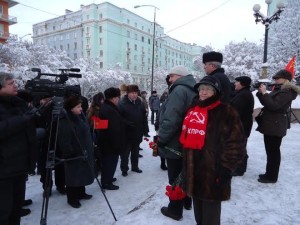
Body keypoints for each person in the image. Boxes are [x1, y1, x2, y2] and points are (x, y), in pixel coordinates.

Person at [181, 76, 246, 225]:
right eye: (201, 89)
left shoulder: (226, 111)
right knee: (198, 206)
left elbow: (237, 142)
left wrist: (226, 168)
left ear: (215, 92)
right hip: (193, 168)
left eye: (208, 89)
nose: (203, 92)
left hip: (214, 169)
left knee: (210, 213)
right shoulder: (192, 109)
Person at [158, 65, 196, 221]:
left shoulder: (179, 90)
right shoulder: (192, 89)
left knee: (175, 176)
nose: (170, 79)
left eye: (171, 76)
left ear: (179, 76)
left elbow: (171, 118)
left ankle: (174, 210)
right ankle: (187, 202)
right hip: (187, 140)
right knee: (185, 173)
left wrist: (162, 138)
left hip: (175, 141)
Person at [0, 72, 37, 225]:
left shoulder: (18, 103)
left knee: (16, 209)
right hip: (3, 169)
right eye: (10, 83)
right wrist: (22, 120)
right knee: (4, 211)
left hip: (20, 165)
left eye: (14, 82)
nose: (15, 85)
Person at [256, 70, 300, 183]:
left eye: (277, 78)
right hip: (272, 124)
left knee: (273, 152)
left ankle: (271, 176)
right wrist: (261, 93)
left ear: (286, 79)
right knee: (270, 150)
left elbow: (273, 105)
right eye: (275, 78)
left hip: (276, 125)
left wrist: (265, 93)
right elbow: (267, 102)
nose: (275, 80)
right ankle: (269, 173)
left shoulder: (287, 92)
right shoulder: (280, 89)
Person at [57, 96, 95, 208]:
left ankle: (81, 193)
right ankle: (72, 198)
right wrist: (70, 153)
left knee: (82, 173)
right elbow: (64, 140)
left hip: (84, 152)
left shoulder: (79, 116)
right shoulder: (66, 121)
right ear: (71, 108)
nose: (81, 109)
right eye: (78, 107)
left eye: (81, 106)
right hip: (74, 154)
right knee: (73, 176)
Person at [97, 87, 125, 190]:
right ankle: (106, 182)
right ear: (113, 98)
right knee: (109, 162)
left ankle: (108, 178)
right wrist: (117, 143)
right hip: (110, 143)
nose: (119, 99)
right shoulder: (109, 110)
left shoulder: (107, 107)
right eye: (118, 97)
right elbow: (113, 129)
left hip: (107, 141)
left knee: (110, 162)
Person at [118, 84, 148, 176]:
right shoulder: (122, 104)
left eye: (135, 93)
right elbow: (119, 119)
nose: (134, 95)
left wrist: (145, 129)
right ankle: (124, 169)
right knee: (125, 153)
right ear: (127, 94)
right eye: (132, 93)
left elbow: (144, 117)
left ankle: (135, 167)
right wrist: (127, 123)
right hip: (126, 134)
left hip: (137, 132)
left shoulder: (140, 102)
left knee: (135, 151)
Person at [230, 76, 254, 176]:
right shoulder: (243, 93)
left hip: (241, 126)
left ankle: (240, 170)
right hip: (242, 125)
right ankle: (239, 167)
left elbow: (236, 111)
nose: (235, 84)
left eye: (237, 82)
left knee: (240, 147)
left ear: (242, 84)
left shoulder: (244, 95)